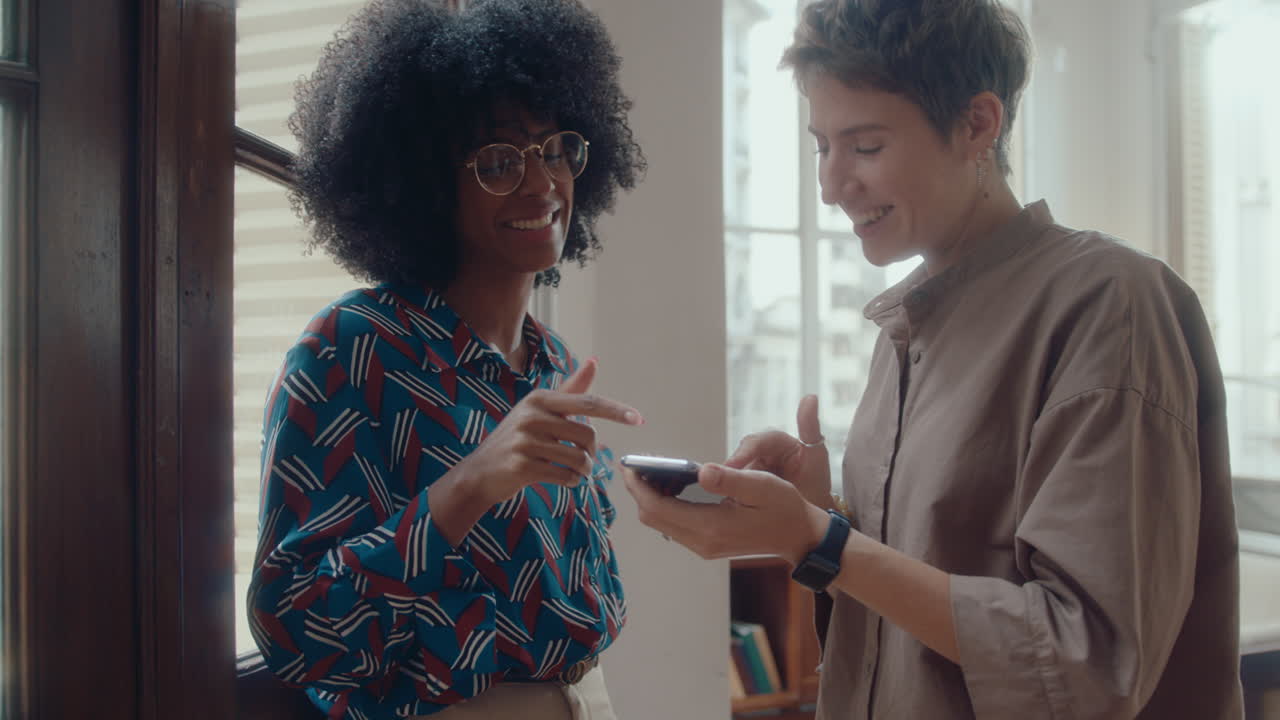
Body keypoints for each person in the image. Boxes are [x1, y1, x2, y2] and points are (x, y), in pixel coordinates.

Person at [624, 1, 1243, 718]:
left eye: (865, 146)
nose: (831, 185)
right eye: (821, 146)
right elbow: (907, 613)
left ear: (978, 124)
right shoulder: (908, 327)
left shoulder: (1110, 305)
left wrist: (822, 539)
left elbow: (1084, 666)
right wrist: (824, 517)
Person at [247, 1, 646, 718]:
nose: (540, 183)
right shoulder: (352, 348)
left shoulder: (550, 362)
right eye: (498, 161)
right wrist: (467, 488)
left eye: (554, 148)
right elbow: (295, 626)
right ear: (425, 185)